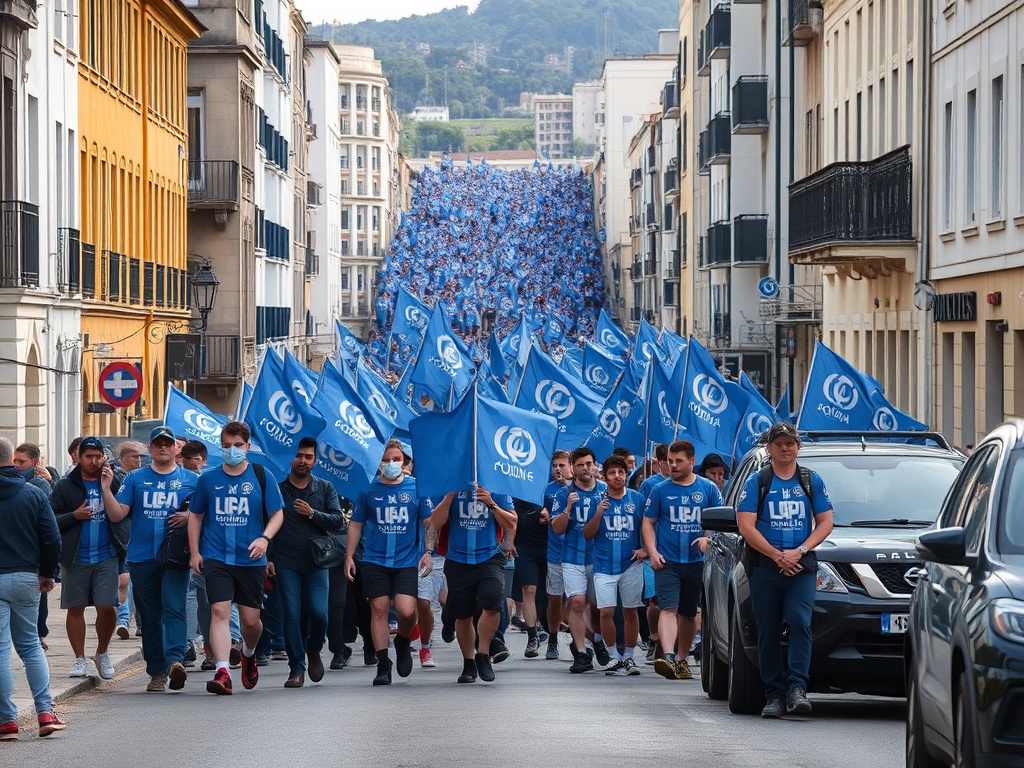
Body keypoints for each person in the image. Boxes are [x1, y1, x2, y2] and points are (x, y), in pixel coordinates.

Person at [736, 422, 833, 718]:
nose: (784, 448)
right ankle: (774, 695)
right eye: (778, 444)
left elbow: (826, 522)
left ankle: (796, 689)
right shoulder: (757, 481)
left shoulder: (811, 480)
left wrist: (799, 552)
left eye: (790, 443)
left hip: (801, 567)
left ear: (798, 447)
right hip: (765, 566)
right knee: (767, 629)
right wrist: (777, 555)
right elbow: (745, 526)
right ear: (769, 448)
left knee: (799, 621)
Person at [187, 421, 285, 695]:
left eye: (238, 446)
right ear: (221, 446)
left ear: (248, 446)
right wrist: (195, 552)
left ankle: (249, 651)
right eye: (227, 446)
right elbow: (195, 516)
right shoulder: (208, 479)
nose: (233, 450)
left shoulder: (261, 476)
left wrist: (264, 538)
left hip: (251, 559)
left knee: (251, 622)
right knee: (219, 611)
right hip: (216, 557)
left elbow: (278, 514)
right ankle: (222, 670)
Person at [345, 440, 450, 686]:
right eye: (386, 460)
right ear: (378, 463)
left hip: (406, 561)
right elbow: (356, 524)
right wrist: (349, 556)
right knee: (379, 609)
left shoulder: (416, 489)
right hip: (374, 560)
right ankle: (383, 663)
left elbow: (429, 523)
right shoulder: (368, 490)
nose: (391, 464)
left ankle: (403, 641)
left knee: (406, 610)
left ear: (404, 463)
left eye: (396, 460)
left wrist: (428, 552)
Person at [104, 426, 199, 692]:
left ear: (176, 448)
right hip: (143, 556)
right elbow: (117, 515)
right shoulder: (136, 479)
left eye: (168, 443)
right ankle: (156, 672)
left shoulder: (192, 480)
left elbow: (206, 515)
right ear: (150, 448)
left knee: (174, 606)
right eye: (158, 444)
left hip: (177, 556)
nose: (163, 447)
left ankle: (175, 662)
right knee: (150, 615)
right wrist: (106, 489)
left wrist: (189, 517)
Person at [0, 437, 66, 740]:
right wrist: (48, 573)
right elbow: (52, 538)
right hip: (27, 576)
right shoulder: (33, 494)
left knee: (0, 649)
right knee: (30, 646)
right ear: (13, 461)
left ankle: (6, 721)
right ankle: (44, 711)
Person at [642, 440, 722, 681]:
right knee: (668, 608)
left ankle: (682, 658)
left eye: (678, 461)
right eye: (669, 461)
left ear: (691, 461)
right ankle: (667, 655)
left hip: (697, 562)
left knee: (689, 614)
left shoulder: (708, 489)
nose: (673, 465)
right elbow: (648, 522)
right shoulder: (660, 490)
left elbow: (717, 521)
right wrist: (653, 552)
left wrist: (708, 538)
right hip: (667, 561)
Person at [50, 436, 127, 680]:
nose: (93, 461)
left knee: (108, 606)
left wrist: (107, 485)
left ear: (104, 457)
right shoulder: (66, 486)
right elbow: (50, 520)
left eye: (97, 456)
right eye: (88, 456)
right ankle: (79, 659)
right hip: (75, 557)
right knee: (75, 608)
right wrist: (74, 515)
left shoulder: (116, 481)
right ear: (79, 458)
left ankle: (102, 653)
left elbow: (127, 513)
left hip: (108, 555)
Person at [272, 438, 346, 688]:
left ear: (315, 461)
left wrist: (313, 513)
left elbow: (338, 521)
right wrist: (269, 558)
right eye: (298, 456)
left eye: (308, 457)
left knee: (319, 614)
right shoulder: (278, 489)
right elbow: (267, 522)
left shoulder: (324, 488)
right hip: (285, 561)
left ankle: (313, 648)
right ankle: (296, 669)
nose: (302, 461)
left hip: (317, 562)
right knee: (291, 616)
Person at [426, 484, 516, 684]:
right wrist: (449, 497)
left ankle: (483, 654)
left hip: (489, 556)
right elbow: (435, 521)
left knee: (492, 602)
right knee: (463, 613)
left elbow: (512, 521)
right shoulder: (451, 483)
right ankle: (468, 662)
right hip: (458, 559)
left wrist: (491, 504)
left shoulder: (495, 484)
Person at [583, 453, 646, 676]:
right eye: (612, 473)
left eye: (621, 472)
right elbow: (588, 533)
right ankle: (613, 657)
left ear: (626, 474)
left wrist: (645, 549)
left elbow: (648, 527)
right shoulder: (596, 500)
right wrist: (599, 513)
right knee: (606, 612)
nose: (617, 476)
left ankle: (629, 656)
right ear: (605, 476)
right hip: (603, 564)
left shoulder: (637, 499)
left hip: (631, 564)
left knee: (631, 612)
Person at [550, 447, 606, 673]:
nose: (585, 468)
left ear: (594, 465)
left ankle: (599, 640)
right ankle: (581, 652)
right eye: (580, 464)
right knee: (577, 603)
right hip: (572, 557)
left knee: (599, 607)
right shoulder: (564, 494)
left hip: (600, 557)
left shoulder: (604, 490)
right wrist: (567, 509)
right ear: (572, 468)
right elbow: (556, 528)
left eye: (588, 464)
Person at [541, 450, 572, 660]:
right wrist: (542, 514)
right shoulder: (546, 490)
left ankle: (585, 642)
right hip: (555, 552)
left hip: (578, 553)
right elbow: (540, 511)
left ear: (571, 467)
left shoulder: (580, 489)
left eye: (562, 465)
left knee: (579, 600)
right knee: (554, 599)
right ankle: (553, 639)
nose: (558, 469)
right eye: (555, 466)